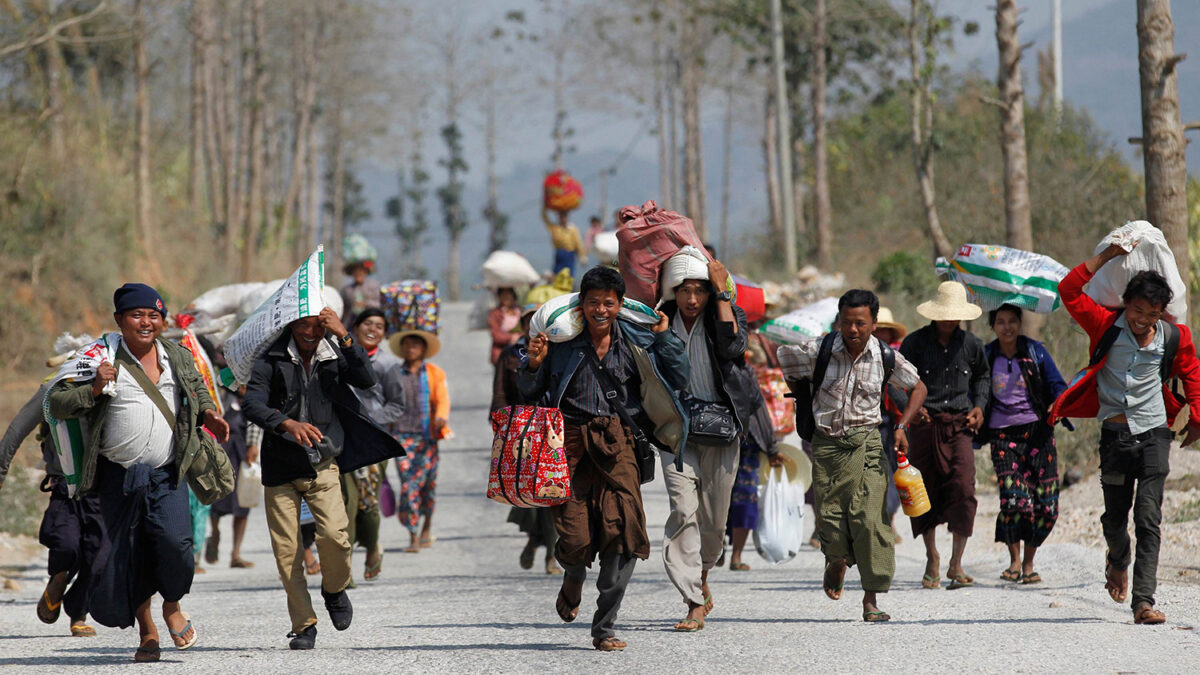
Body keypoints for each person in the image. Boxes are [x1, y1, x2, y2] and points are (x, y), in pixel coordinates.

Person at [47, 283, 230, 662]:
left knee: (177, 544)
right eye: (137, 315)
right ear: (120, 320)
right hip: (117, 477)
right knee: (131, 554)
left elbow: (198, 388)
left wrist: (210, 411)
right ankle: (147, 631)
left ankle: (173, 604)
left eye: (154, 315)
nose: (146, 322)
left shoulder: (177, 356)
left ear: (163, 321)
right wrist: (95, 389)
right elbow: (57, 402)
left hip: (166, 472)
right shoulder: (96, 357)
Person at [519, 265, 688, 652]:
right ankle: (573, 574)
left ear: (618, 305)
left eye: (608, 304)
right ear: (581, 305)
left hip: (620, 446)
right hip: (569, 448)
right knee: (576, 538)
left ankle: (605, 626)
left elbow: (678, 377)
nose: (600, 310)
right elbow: (528, 392)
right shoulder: (560, 344)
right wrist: (533, 363)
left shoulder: (636, 341)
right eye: (593, 303)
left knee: (624, 532)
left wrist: (664, 339)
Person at [1051, 243, 1200, 624]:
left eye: (1151, 315)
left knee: (1149, 517)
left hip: (1154, 435)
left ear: (1161, 313)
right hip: (1115, 437)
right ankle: (1118, 558)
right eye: (1136, 311)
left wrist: (1196, 416)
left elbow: (1192, 373)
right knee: (1114, 520)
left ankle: (1143, 602)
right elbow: (1068, 290)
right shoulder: (1103, 324)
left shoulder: (1172, 335)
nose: (1142, 321)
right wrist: (1105, 257)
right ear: (1125, 304)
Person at [780, 290, 927, 621]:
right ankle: (836, 561)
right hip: (827, 445)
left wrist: (903, 425)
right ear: (838, 322)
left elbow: (918, 388)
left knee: (870, 518)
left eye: (861, 323)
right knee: (830, 520)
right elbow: (786, 361)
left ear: (874, 323)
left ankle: (871, 599)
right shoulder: (820, 349)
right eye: (847, 322)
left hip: (868, 444)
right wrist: (806, 395)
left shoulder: (886, 357)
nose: (853, 329)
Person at [242, 306, 384, 650]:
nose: (311, 333)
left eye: (318, 326)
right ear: (291, 323)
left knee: (336, 535)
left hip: (323, 462)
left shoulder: (334, 353)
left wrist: (344, 336)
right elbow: (252, 405)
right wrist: (285, 423)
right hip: (280, 467)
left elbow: (367, 378)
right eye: (304, 325)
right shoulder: (270, 358)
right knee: (287, 552)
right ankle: (304, 625)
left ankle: (334, 590)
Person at [659, 257, 765, 632]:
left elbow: (733, 347)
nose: (691, 298)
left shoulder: (726, 311)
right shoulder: (659, 319)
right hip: (675, 430)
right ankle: (692, 600)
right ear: (673, 290)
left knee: (714, 518)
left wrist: (721, 294)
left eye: (698, 290)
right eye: (684, 290)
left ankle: (703, 574)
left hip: (721, 430)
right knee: (683, 510)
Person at [899, 281, 990, 591]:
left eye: (955, 315)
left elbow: (983, 378)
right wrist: (911, 411)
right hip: (925, 426)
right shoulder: (914, 344)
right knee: (924, 493)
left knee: (964, 489)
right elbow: (897, 382)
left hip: (960, 427)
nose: (950, 320)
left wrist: (979, 406)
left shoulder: (973, 345)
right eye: (945, 315)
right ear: (934, 314)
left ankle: (956, 562)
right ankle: (932, 556)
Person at [0, 382, 107, 638]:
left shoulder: (112, 383)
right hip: (64, 482)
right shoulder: (53, 388)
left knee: (101, 557)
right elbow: (18, 428)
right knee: (66, 543)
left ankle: (78, 612)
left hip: (104, 488)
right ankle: (58, 580)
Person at [983, 304, 1068, 585]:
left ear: (1020, 323)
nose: (1006, 327)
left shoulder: (1036, 352)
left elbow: (1057, 384)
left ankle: (1030, 561)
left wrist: (1059, 400)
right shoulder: (987, 356)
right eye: (1000, 322)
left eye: (1012, 322)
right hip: (1003, 437)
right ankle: (1016, 562)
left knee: (1047, 506)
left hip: (1038, 435)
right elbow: (977, 391)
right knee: (1014, 501)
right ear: (993, 326)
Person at [491, 303, 562, 575]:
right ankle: (536, 540)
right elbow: (500, 392)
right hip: (519, 430)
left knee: (551, 490)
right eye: (527, 321)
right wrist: (499, 426)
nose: (531, 326)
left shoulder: (557, 351)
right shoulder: (511, 355)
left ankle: (547, 552)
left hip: (550, 430)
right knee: (526, 489)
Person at [342, 308, 405, 581]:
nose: (372, 329)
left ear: (384, 334)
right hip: (342, 439)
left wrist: (370, 419)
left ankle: (371, 548)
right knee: (345, 503)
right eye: (367, 323)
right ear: (355, 327)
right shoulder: (338, 357)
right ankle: (343, 572)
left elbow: (397, 405)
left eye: (379, 326)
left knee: (367, 503)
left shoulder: (389, 364)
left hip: (373, 441)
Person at [724, 328, 785, 572]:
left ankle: (735, 554)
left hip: (746, 444)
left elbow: (758, 410)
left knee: (744, 499)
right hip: (712, 441)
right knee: (712, 500)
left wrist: (771, 447)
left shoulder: (747, 370)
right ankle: (713, 547)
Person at [388, 328, 451, 553]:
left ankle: (427, 526)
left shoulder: (435, 373)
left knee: (428, 485)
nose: (411, 348)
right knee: (409, 484)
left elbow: (442, 399)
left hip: (428, 437)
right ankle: (413, 534)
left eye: (415, 344)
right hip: (401, 437)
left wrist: (441, 418)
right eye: (407, 344)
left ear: (424, 348)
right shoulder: (394, 373)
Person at [205, 388, 258, 570]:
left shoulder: (254, 398)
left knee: (243, 503)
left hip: (242, 454)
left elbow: (256, 425)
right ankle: (215, 532)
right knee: (217, 500)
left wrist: (253, 445)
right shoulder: (223, 397)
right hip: (222, 452)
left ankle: (236, 553)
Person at [873, 307, 908, 542]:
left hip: (893, 419)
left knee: (893, 469)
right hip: (870, 420)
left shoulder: (897, 356)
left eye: (886, 331)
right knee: (874, 470)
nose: (881, 336)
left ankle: (891, 520)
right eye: (879, 331)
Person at [542, 207, 586, 279]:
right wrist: (545, 207)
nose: (563, 218)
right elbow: (545, 219)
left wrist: (582, 256)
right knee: (557, 275)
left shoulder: (572, 228)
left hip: (569, 254)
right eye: (561, 216)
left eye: (564, 216)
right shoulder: (555, 228)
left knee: (569, 275)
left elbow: (578, 242)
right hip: (559, 253)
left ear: (567, 217)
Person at [340, 259, 381, 329]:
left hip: (370, 324)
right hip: (351, 325)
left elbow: (380, 304)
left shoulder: (374, 286)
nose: (358, 274)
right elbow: (343, 310)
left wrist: (366, 303)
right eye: (355, 272)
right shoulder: (347, 290)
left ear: (366, 272)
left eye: (361, 272)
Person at [488, 287, 523, 365]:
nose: (506, 297)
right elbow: (495, 334)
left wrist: (520, 337)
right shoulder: (495, 313)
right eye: (503, 295)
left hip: (520, 352)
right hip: (501, 354)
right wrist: (511, 338)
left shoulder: (520, 311)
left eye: (508, 294)